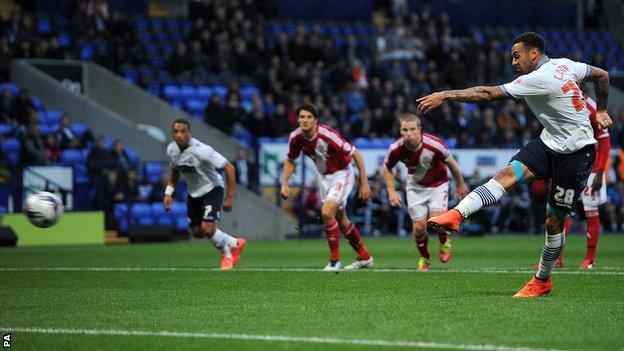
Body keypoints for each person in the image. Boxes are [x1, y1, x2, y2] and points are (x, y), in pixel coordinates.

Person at [416, 32, 612, 298]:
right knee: (508, 173)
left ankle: (543, 279)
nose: (513, 62)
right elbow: (601, 75)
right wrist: (600, 110)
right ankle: (457, 215)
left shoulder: (538, 78)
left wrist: (445, 95)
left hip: (576, 153)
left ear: (534, 54)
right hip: (549, 142)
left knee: (554, 222)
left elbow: (487, 93)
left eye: (517, 55)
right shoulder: (566, 64)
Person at [280, 103, 373, 271]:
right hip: (323, 177)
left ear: (316, 120)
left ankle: (334, 260)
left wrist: (364, 183)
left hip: (342, 173)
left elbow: (356, 153)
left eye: (309, 117)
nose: (305, 120)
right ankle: (365, 256)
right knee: (342, 221)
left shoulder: (327, 135)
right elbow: (289, 160)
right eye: (302, 117)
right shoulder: (296, 137)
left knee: (326, 212)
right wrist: (284, 183)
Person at [383, 114, 468, 271]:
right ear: (400, 131)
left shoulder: (434, 144)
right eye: (405, 130)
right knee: (419, 228)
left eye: (412, 129)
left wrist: (460, 184)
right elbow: (387, 167)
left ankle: (444, 242)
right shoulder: (396, 149)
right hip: (415, 186)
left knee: (437, 221)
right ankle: (425, 258)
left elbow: (452, 163)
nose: (409, 133)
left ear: (419, 129)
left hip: (438, 185)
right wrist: (391, 191)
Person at [163, 119, 246, 270]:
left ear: (189, 133)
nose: (179, 135)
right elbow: (175, 172)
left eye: (183, 131)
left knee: (208, 228)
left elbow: (229, 168)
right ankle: (235, 243)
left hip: (212, 188)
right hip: (193, 193)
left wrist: (229, 197)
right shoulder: (172, 150)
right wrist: (169, 193)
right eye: (175, 132)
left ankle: (227, 255)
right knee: (198, 232)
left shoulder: (202, 150)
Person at [558, 95, 612, 269]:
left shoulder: (591, 107)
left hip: (592, 169)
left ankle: (590, 258)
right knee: (562, 211)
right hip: (571, 168)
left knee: (590, 210)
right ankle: (557, 259)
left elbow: (605, 141)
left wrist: (600, 172)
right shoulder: (562, 104)